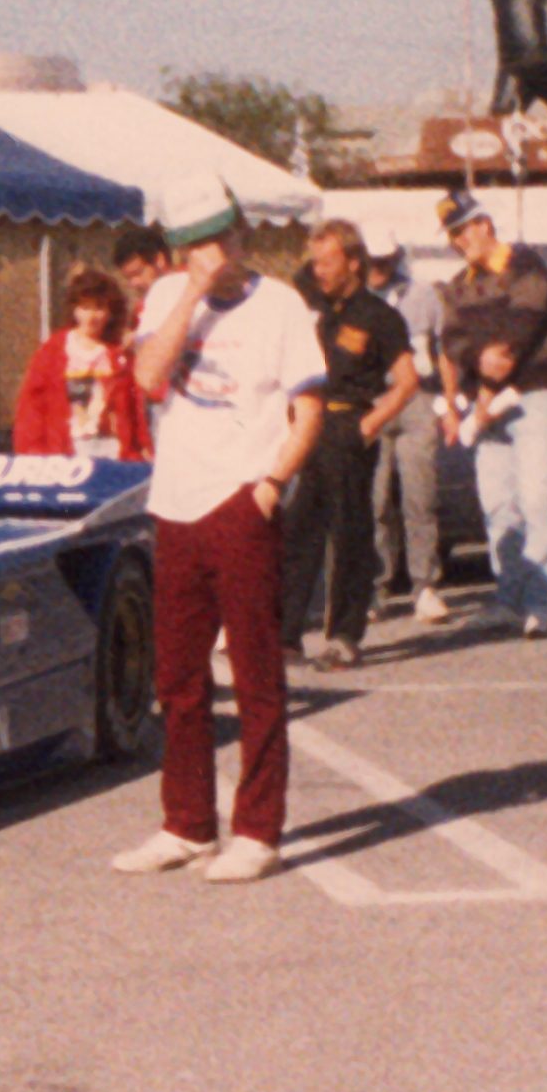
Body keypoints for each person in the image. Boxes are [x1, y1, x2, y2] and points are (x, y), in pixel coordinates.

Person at [112, 175, 326, 884]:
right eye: (195, 244)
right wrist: (193, 298)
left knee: (257, 671)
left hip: (240, 500)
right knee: (177, 676)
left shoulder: (284, 307)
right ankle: (187, 822)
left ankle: (259, 828)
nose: (213, 254)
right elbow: (147, 378)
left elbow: (310, 414)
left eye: (220, 238)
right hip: (176, 501)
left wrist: (268, 487)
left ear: (240, 233)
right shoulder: (171, 297)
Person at [277, 221, 417, 667]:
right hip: (312, 428)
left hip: (349, 429)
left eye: (328, 261)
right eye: (315, 261)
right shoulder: (318, 305)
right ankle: (285, 634)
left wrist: (371, 423)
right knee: (300, 530)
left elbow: (408, 382)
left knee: (351, 533)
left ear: (354, 263)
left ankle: (344, 636)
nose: (318, 270)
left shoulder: (380, 317)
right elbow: (302, 274)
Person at [436, 189, 547, 634]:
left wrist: (491, 368)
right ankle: (507, 597)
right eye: (451, 235)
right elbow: (451, 339)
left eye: (460, 231)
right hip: (487, 409)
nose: (456, 241)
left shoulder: (528, 265)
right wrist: (480, 360)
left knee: (534, 497)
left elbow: (524, 324)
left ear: (483, 225)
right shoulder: (457, 285)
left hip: (532, 396)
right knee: (496, 505)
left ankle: (538, 602)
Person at [367, 244, 450, 623]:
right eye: (372, 260)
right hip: (374, 400)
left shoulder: (423, 294)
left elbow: (444, 348)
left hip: (417, 399)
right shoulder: (357, 300)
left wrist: (449, 402)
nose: (378, 267)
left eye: (384, 259)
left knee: (420, 494)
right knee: (375, 498)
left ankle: (425, 585)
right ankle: (376, 586)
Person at [12, 264, 151, 459]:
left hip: (112, 454)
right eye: (85, 308)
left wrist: (142, 449)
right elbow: (31, 408)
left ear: (111, 312)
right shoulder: (52, 351)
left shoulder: (119, 357)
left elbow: (135, 411)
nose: (91, 317)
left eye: (99, 308)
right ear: (74, 309)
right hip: (64, 455)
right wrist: (32, 454)